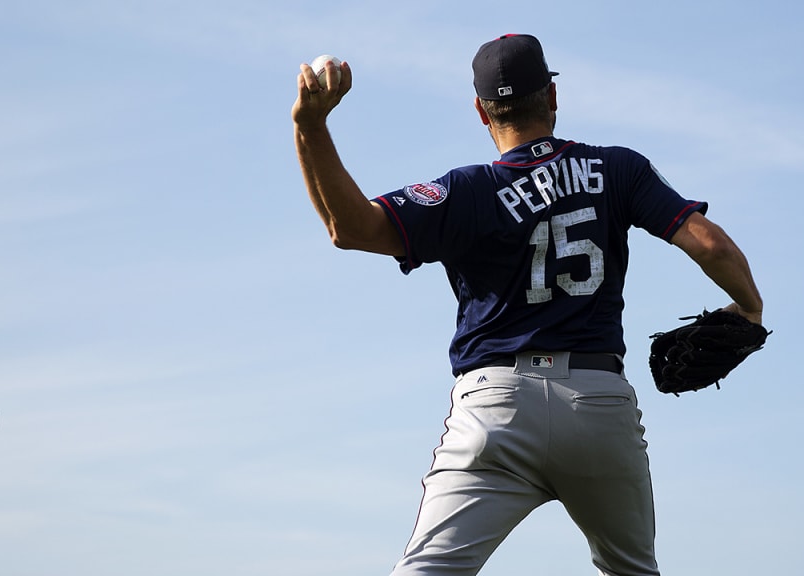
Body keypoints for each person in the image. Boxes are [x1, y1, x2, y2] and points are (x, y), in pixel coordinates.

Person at [292, 33, 763, 576]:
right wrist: (747, 307)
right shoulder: (618, 169)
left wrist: (311, 126)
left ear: (480, 111)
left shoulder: (465, 191)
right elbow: (712, 244)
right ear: (553, 96)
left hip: (496, 408)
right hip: (598, 401)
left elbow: (347, 228)